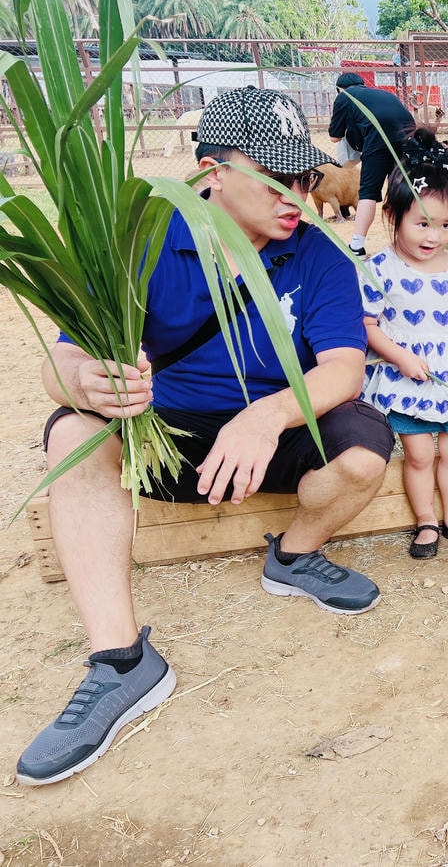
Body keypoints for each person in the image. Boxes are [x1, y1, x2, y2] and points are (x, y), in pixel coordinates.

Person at [16, 86, 395, 786]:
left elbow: (344, 368)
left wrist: (267, 415)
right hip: (160, 433)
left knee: (367, 448)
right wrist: (85, 379)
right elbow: (60, 360)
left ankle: (295, 555)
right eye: (275, 177)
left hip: (268, 438)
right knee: (72, 429)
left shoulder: (318, 256)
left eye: (306, 176)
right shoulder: (144, 241)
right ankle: (123, 662)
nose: (298, 195)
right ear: (212, 172)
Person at [358, 128, 448, 561]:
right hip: (406, 378)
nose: (433, 236)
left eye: (445, 225)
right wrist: (399, 357)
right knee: (418, 455)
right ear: (392, 216)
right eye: (422, 223)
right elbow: (367, 324)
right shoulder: (381, 269)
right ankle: (426, 521)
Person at [329, 72, 416, 259]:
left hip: (378, 140)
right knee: (403, 189)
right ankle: (410, 241)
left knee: (368, 192)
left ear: (339, 89)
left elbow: (334, 136)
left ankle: (357, 247)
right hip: (409, 138)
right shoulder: (384, 94)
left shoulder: (344, 97)